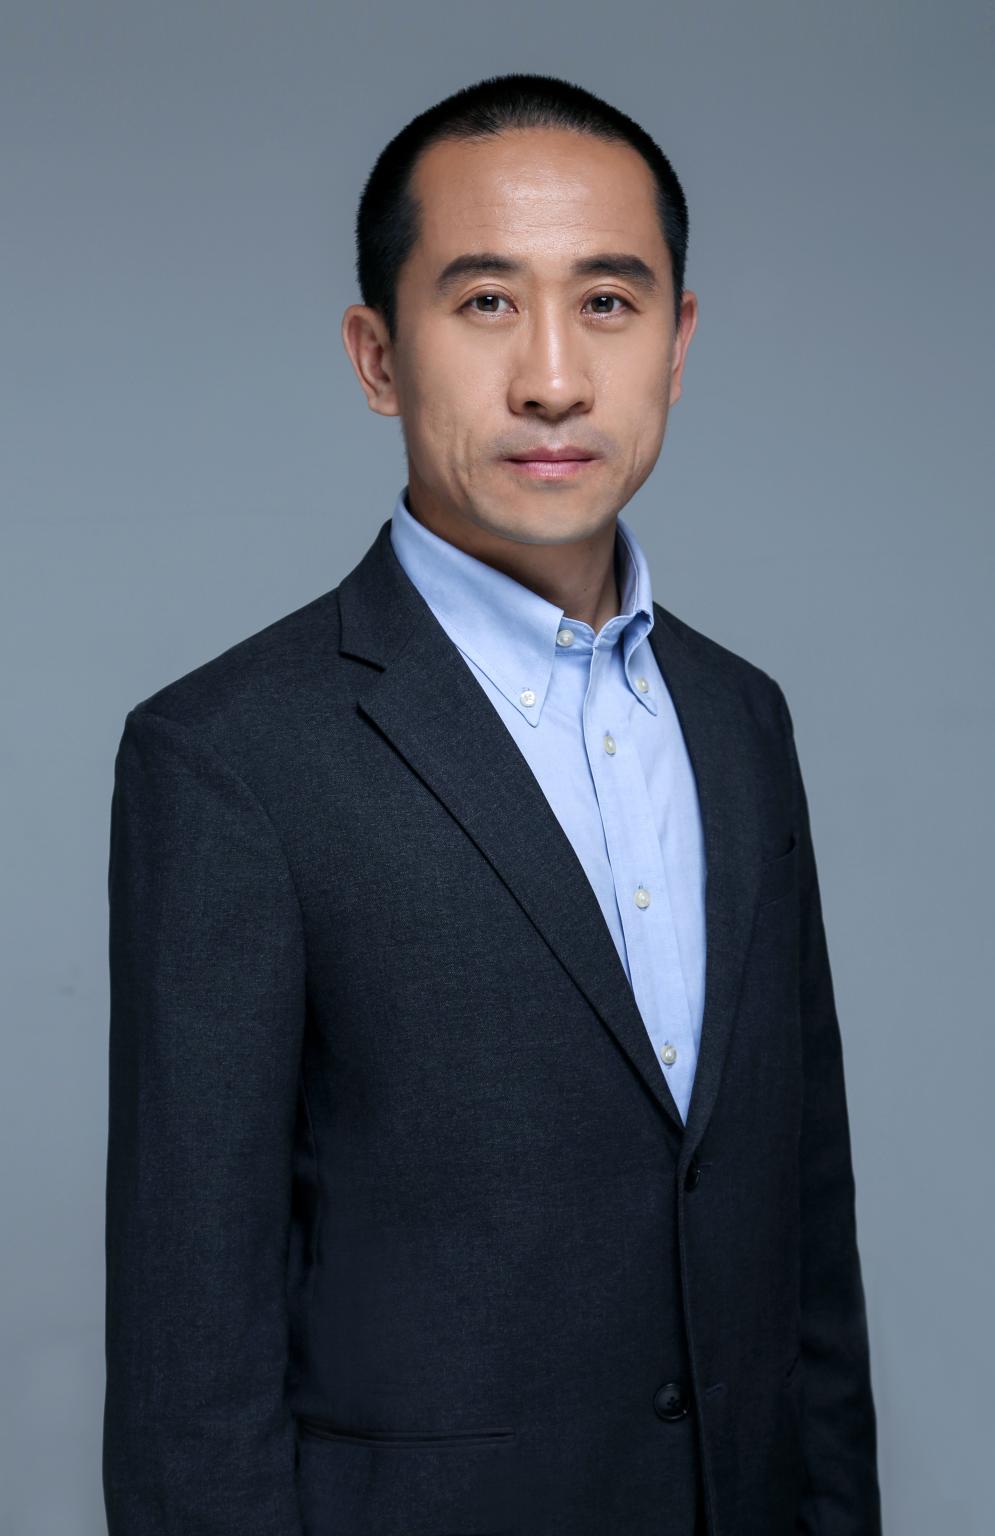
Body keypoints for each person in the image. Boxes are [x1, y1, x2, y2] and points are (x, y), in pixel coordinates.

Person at [103, 71, 881, 1536]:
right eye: (484, 303)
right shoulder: (229, 758)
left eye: (608, 302)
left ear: (678, 342)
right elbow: (187, 1371)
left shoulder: (741, 719)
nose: (553, 380)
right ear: (377, 354)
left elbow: (803, 1248)